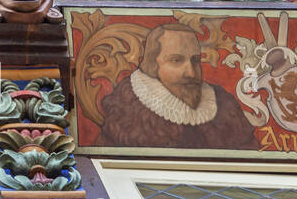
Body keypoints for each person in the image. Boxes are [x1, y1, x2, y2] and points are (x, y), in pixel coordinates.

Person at [99, 24, 260, 150]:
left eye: (195, 61)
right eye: (176, 60)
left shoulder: (224, 105)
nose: (191, 73)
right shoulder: (126, 108)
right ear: (152, 65)